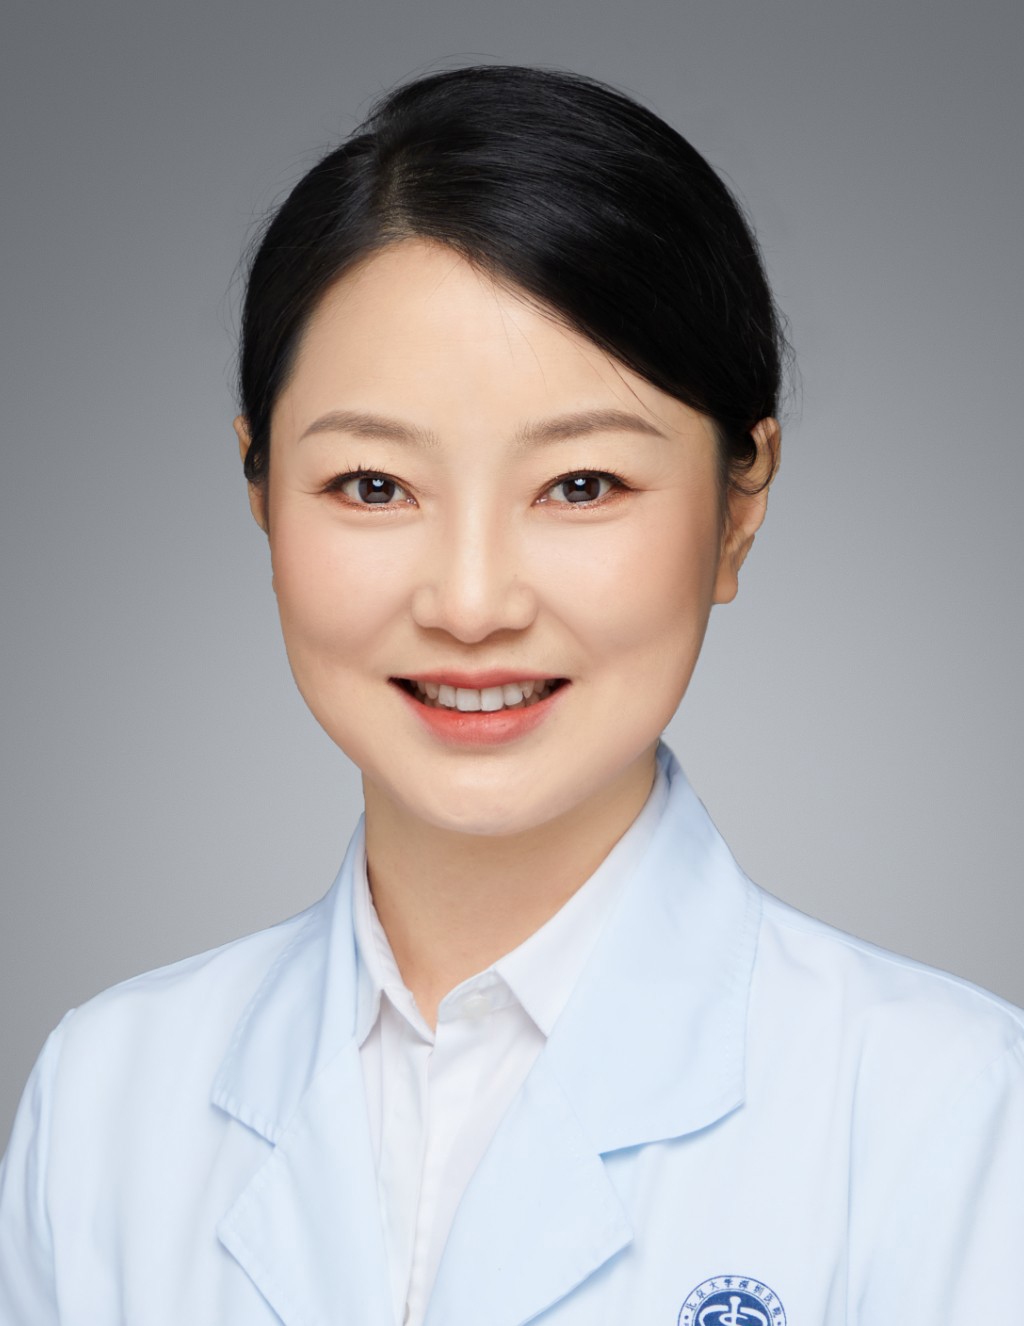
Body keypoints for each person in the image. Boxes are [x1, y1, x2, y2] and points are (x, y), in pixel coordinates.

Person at [0, 63, 1021, 1326]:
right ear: (259, 490)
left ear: (737, 506)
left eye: (581, 486)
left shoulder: (954, 1116)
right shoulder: (106, 1101)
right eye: (373, 486)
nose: (472, 603)